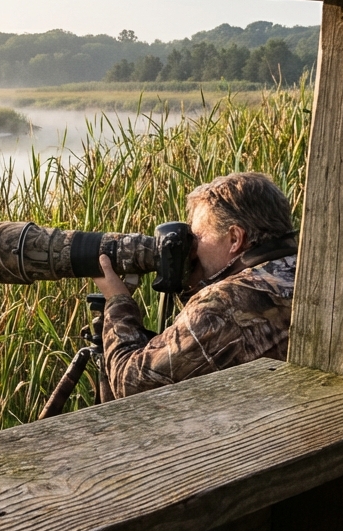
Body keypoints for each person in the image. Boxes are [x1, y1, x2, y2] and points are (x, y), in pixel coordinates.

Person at [92, 171, 297, 398]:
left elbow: (128, 383)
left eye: (197, 237)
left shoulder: (225, 304)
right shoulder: (306, 271)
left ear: (235, 239)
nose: (192, 249)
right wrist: (195, 283)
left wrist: (117, 301)